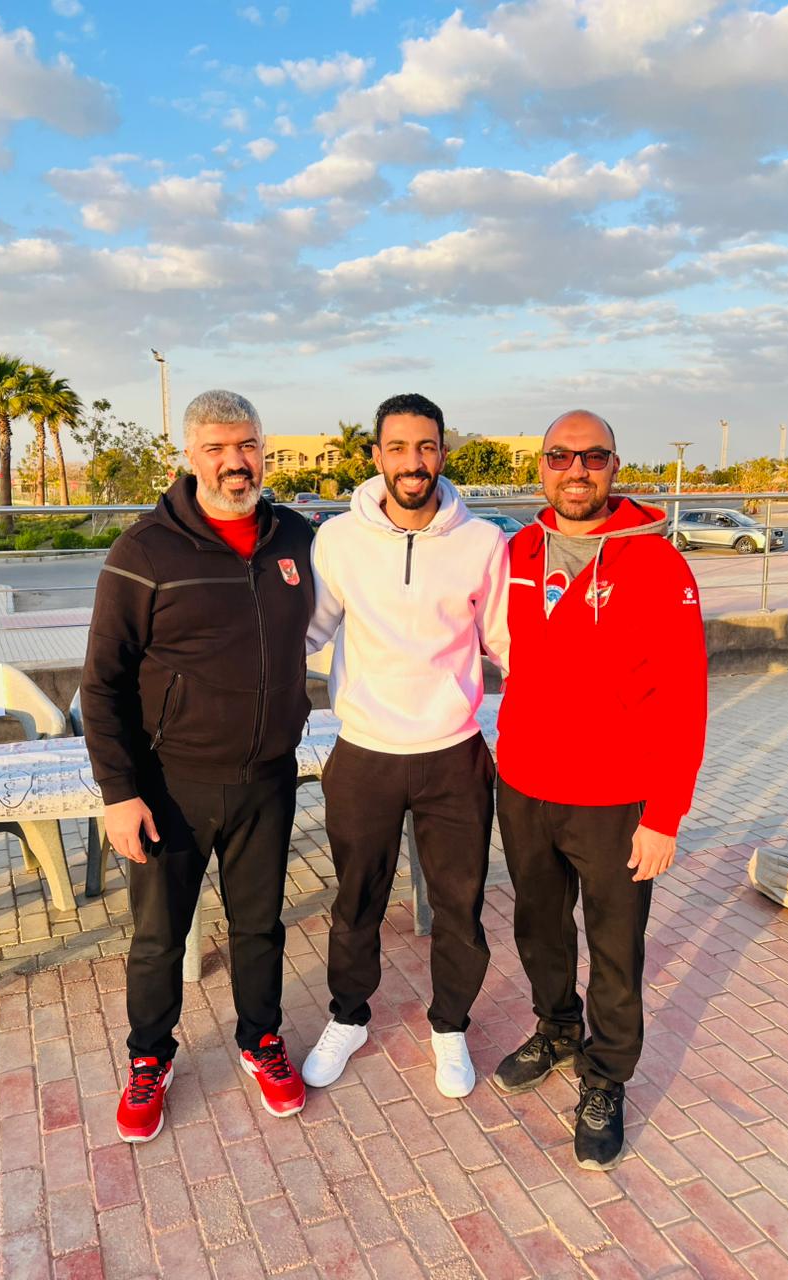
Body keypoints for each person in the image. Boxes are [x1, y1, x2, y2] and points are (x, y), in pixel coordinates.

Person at [81, 390, 315, 1140]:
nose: (234, 462)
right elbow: (102, 682)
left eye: (246, 445)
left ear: (263, 450)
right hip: (169, 785)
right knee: (160, 937)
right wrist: (119, 793)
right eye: (216, 448)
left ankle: (261, 1039)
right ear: (190, 456)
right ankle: (150, 1058)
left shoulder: (296, 537)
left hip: (268, 777)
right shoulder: (145, 551)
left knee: (260, 927)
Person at [493, 410, 707, 1172]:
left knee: (615, 948)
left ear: (615, 466)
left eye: (592, 457)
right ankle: (556, 1029)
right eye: (560, 456)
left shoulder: (657, 563)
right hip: (524, 784)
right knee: (539, 929)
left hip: (616, 797)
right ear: (541, 467)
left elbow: (685, 695)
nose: (575, 470)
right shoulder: (517, 550)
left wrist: (665, 814)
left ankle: (607, 1074)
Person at [302, 393, 510, 1098]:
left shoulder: (482, 543)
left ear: (443, 453)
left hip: (454, 752)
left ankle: (450, 1025)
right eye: (398, 448)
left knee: (459, 903)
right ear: (377, 456)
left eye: (426, 447)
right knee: (356, 898)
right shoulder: (339, 540)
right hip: (364, 750)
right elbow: (309, 630)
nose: (412, 462)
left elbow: (507, 643)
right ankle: (348, 1016)